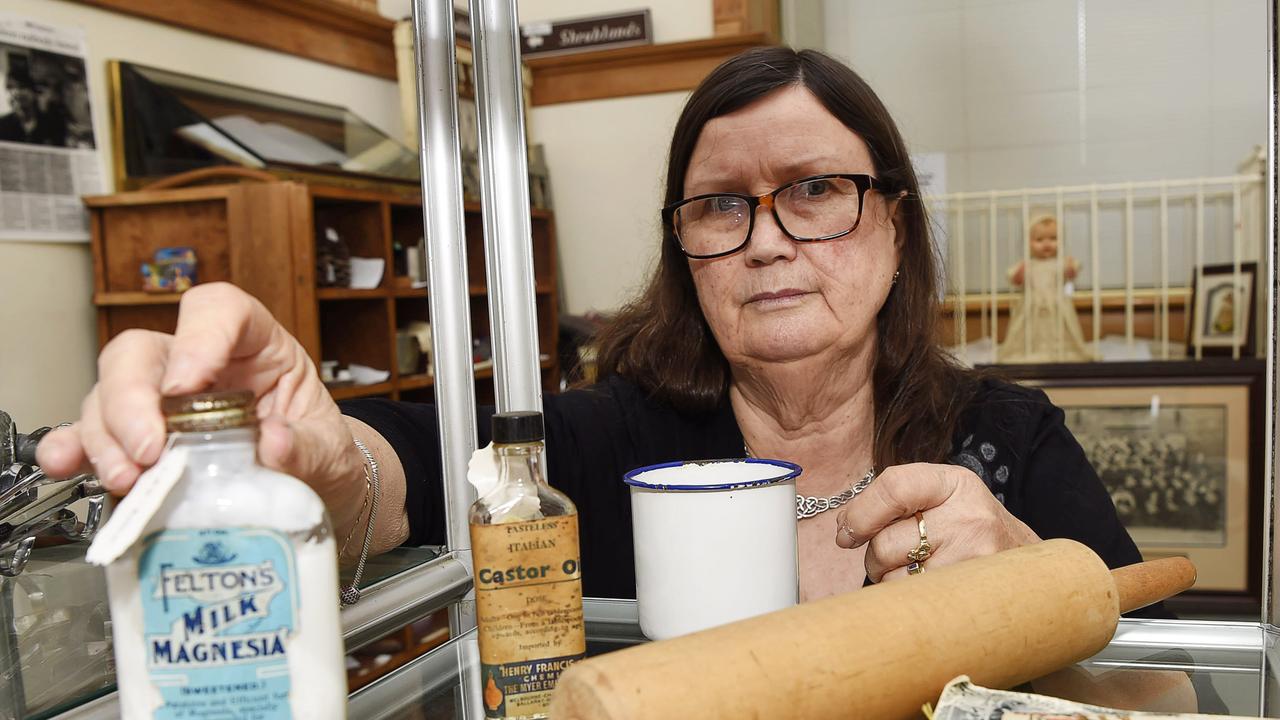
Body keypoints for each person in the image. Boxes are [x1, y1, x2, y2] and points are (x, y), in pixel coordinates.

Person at [35, 47, 1150, 607]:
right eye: (720, 204)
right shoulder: (604, 440)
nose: (764, 241)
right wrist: (316, 452)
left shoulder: (1004, 437)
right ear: (684, 248)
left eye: (815, 189)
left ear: (894, 226)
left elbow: (1160, 688)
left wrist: (1031, 579)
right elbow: (402, 480)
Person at [999, 215, 1095, 363]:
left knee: (1061, 328)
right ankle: (1030, 351)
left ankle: (1061, 351)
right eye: (1039, 240)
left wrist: (1070, 268)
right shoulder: (1028, 264)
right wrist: (1021, 272)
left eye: (1053, 238)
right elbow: (1016, 281)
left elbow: (1071, 275)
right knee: (1029, 330)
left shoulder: (1060, 262)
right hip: (1031, 304)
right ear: (1029, 242)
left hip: (1057, 303)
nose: (1047, 244)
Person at [0, 65, 66, 146]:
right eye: (10, 88)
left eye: (22, 87)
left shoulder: (53, 124)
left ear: (34, 92)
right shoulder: (2, 125)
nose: (15, 93)